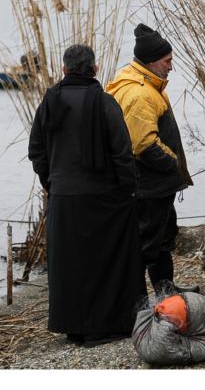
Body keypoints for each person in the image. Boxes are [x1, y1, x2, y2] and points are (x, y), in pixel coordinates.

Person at [28, 44, 144, 346]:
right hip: (102, 197)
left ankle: (72, 327)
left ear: (64, 70)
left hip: (63, 197)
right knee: (105, 260)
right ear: (94, 69)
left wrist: (52, 183)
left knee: (69, 263)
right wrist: (129, 189)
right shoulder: (104, 102)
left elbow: (36, 151)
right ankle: (102, 326)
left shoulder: (50, 101)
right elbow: (122, 153)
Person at [106, 23, 197, 295]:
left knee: (160, 239)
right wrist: (174, 165)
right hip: (149, 184)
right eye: (168, 61)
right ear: (152, 61)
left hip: (148, 184)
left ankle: (165, 291)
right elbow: (144, 145)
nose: (171, 66)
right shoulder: (140, 93)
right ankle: (136, 299)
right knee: (148, 242)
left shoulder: (137, 80)